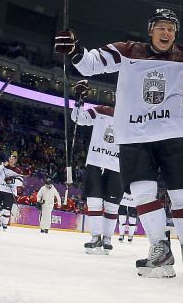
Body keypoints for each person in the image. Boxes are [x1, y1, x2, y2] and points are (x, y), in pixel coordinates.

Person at [54, 8, 183, 279]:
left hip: (174, 132)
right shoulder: (127, 51)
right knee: (142, 194)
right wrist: (76, 49)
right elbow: (90, 64)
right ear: (150, 30)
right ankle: (159, 249)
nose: (167, 33)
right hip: (134, 137)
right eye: (161, 28)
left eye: (171, 29)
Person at [70, 82, 122, 254]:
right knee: (94, 202)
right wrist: (78, 101)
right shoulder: (101, 110)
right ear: (114, 96)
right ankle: (95, 237)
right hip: (96, 162)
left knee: (112, 205)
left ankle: (107, 238)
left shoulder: (132, 117)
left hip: (117, 166)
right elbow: (78, 118)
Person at [0, 152, 24, 230]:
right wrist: (2, 165)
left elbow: (20, 182)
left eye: (13, 159)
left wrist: (12, 181)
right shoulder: (3, 167)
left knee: (6, 210)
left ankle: (4, 223)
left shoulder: (18, 171)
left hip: (10, 192)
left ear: (15, 161)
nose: (11, 160)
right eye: (10, 159)